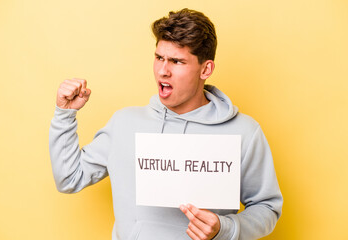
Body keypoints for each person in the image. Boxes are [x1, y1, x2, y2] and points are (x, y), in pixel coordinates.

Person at [49, 8, 283, 240]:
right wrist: (64, 115)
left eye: (177, 61)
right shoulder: (124, 123)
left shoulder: (244, 131)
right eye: (159, 57)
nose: (162, 71)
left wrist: (227, 228)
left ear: (206, 69)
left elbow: (267, 207)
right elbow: (70, 178)